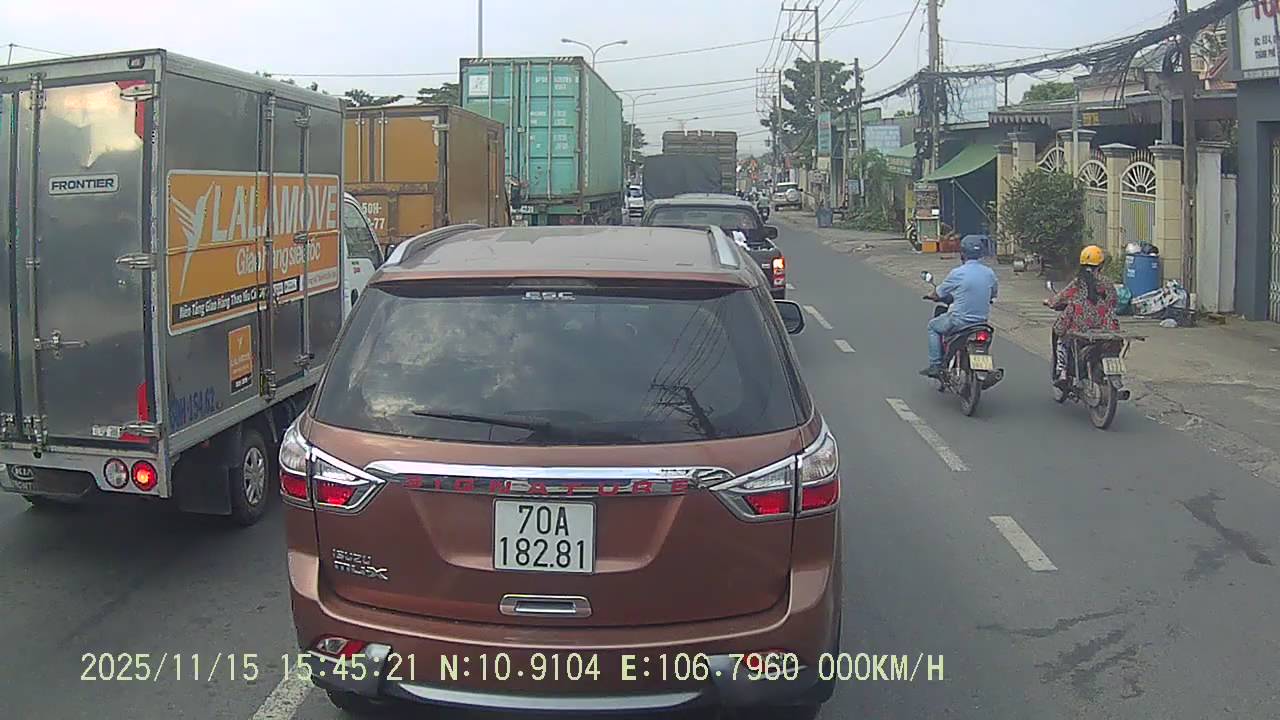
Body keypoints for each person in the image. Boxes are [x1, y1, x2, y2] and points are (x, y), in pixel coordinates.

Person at [920, 236, 998, 378]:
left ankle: (935, 365)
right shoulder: (989, 273)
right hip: (981, 322)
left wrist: (932, 296)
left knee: (933, 327)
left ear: (962, 254)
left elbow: (939, 293)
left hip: (959, 321)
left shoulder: (958, 273)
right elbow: (993, 294)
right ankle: (984, 368)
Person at [1044, 245, 1120, 385]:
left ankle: (1062, 372)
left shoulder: (1078, 283)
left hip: (1080, 328)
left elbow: (1061, 297)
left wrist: (1050, 302)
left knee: (1060, 335)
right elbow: (1114, 301)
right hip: (1106, 328)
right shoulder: (1107, 283)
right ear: (1101, 264)